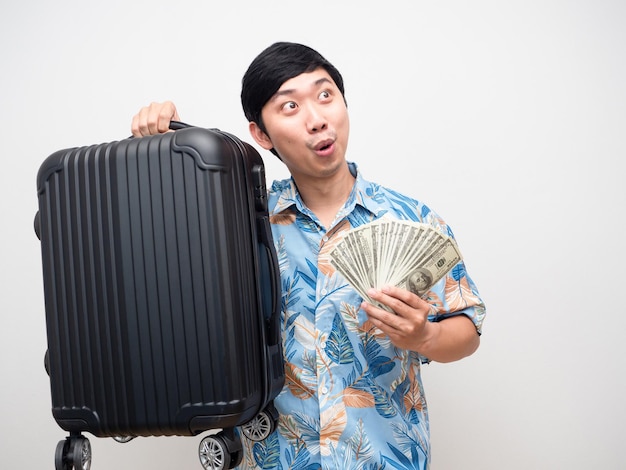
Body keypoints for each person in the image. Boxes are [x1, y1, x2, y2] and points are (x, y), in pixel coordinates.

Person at [132, 41, 486, 470]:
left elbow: (467, 329)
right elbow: (163, 250)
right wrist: (164, 141)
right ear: (261, 134)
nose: (317, 119)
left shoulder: (413, 218)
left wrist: (424, 337)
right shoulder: (240, 221)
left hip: (385, 458)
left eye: (325, 95)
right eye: (290, 107)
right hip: (274, 458)